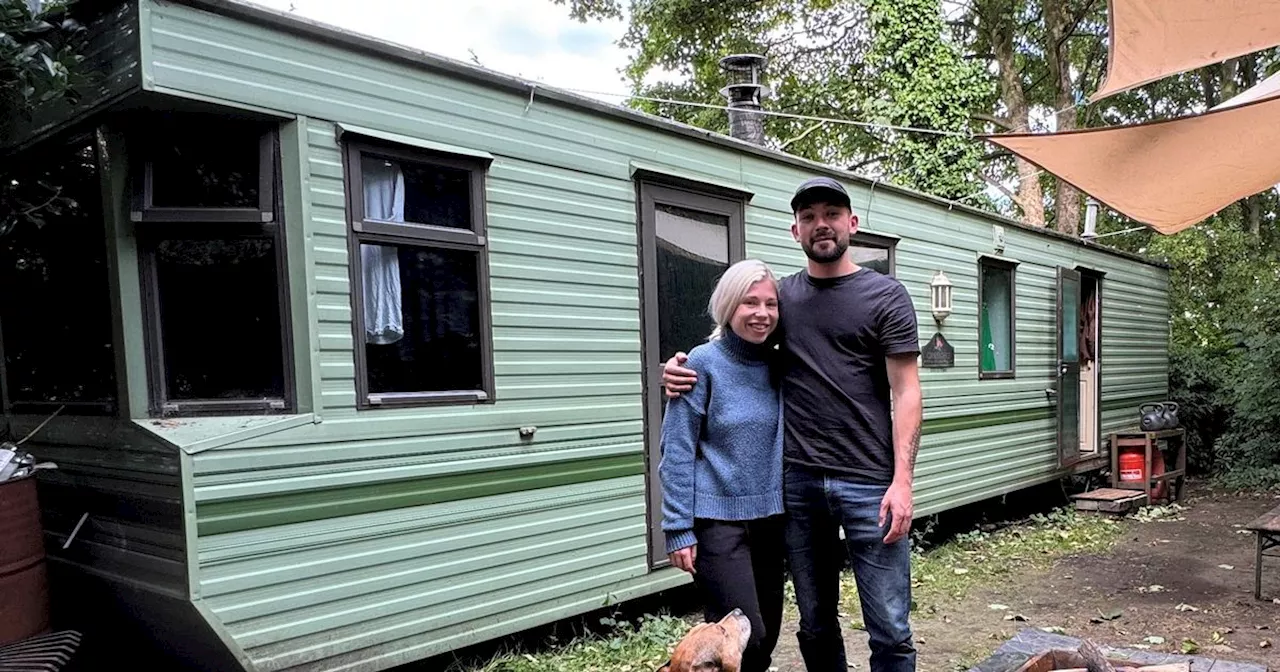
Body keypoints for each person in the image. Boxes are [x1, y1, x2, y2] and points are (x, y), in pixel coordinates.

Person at [663, 177, 924, 672]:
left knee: (890, 626)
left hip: (869, 481)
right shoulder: (783, 298)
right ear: (795, 230)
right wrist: (678, 367)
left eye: (831, 213)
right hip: (798, 486)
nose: (820, 224)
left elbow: (907, 390)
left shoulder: (885, 296)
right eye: (809, 217)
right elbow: (734, 342)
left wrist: (903, 482)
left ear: (853, 223)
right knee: (814, 622)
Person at [658, 258, 787, 672]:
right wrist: (678, 528)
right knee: (747, 638)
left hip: (770, 519)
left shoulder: (782, 364)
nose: (762, 313)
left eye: (771, 304)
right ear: (729, 306)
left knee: (766, 636)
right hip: (716, 525)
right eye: (750, 302)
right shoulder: (701, 363)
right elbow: (676, 448)